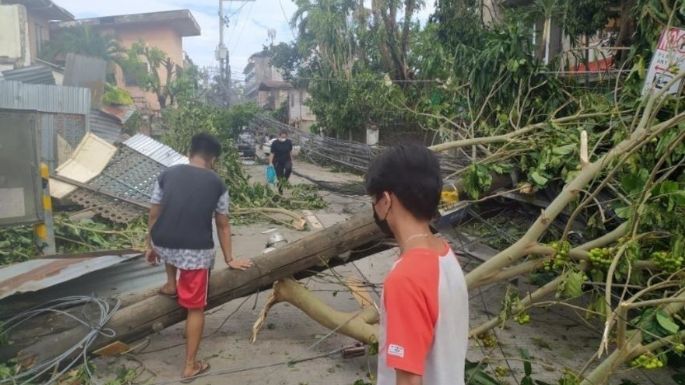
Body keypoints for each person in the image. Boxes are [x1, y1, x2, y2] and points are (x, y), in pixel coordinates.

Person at [145, 133, 253, 382]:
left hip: (164, 244)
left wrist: (150, 244)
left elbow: (154, 213)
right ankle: (190, 366)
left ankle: (172, 283)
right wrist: (230, 258)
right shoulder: (217, 183)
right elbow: (223, 225)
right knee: (195, 308)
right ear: (213, 158)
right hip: (195, 251)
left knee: (171, 238)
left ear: (190, 151)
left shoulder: (167, 174)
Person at [365, 143, 468, 385]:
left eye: (374, 198)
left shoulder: (407, 278)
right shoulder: (444, 254)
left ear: (387, 200)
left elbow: (410, 379)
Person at [269, 129, 293, 194]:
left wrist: (291, 160)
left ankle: (284, 181)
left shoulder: (289, 142)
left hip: (287, 160)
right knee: (280, 176)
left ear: (287, 136)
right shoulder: (275, 143)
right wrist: (270, 163)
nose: (283, 138)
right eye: (282, 137)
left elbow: (290, 152)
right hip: (277, 162)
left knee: (289, 169)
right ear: (279, 136)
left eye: (285, 137)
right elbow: (272, 153)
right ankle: (280, 189)